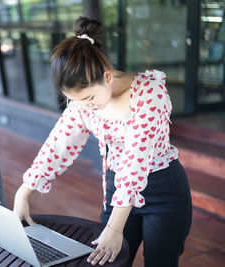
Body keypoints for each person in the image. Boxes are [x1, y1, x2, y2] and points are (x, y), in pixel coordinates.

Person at [13, 17, 192, 267]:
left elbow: (135, 161)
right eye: (76, 100)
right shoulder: (82, 104)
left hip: (161, 188)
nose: (85, 106)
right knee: (106, 261)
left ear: (106, 77)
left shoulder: (149, 93)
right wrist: (24, 191)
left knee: (159, 262)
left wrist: (115, 227)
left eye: (88, 98)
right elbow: (59, 144)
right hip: (116, 189)